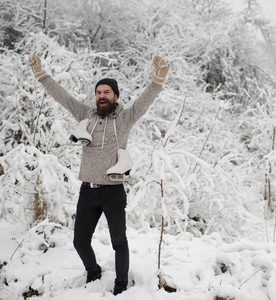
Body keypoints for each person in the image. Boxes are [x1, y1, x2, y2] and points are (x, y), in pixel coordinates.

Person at [28, 53, 170, 295]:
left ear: (115, 96)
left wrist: (158, 79)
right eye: (98, 92)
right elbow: (63, 97)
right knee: (79, 242)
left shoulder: (125, 118)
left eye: (106, 92)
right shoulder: (86, 116)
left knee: (119, 243)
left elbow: (145, 101)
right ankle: (93, 272)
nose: (101, 96)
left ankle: (121, 286)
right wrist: (42, 75)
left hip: (113, 191)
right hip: (87, 191)